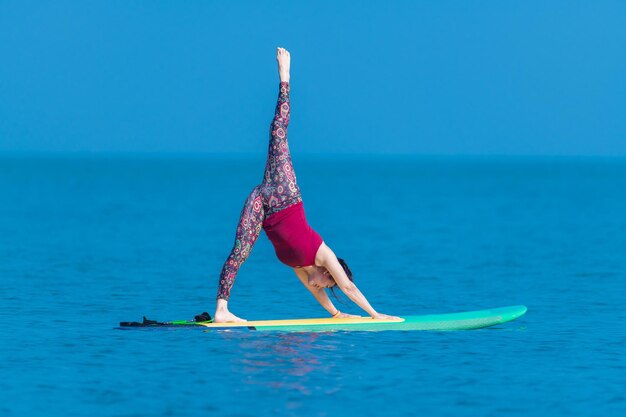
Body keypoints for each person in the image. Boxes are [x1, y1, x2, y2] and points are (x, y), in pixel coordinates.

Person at [214, 47, 399, 323]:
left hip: (262, 205)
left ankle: (221, 311)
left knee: (239, 251)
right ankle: (285, 77)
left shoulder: (300, 267)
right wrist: (375, 315)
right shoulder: (323, 255)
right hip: (283, 191)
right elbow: (347, 286)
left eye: (329, 288)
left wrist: (336, 314)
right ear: (328, 273)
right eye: (329, 283)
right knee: (277, 130)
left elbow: (317, 295)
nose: (326, 287)